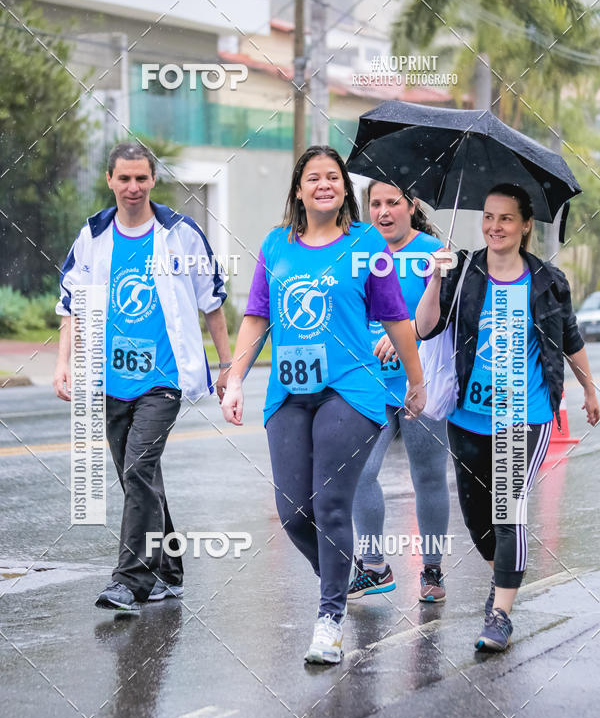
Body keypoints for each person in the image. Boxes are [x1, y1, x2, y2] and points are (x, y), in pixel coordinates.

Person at [221, 145, 426, 664]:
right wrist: (237, 378)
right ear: (298, 189)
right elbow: (257, 317)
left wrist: (416, 383)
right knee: (293, 512)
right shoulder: (275, 245)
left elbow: (397, 319)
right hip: (288, 392)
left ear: (344, 190)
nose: (324, 184)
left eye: (333, 177)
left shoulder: (366, 244)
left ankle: (330, 618)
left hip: (351, 391)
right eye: (313, 177)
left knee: (331, 504)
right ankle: (346, 573)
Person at [415, 183, 599, 651]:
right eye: (489, 217)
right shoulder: (464, 271)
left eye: (505, 219)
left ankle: (499, 612)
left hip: (526, 415)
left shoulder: (547, 281)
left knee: (506, 510)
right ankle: (506, 574)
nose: (494, 226)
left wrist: (589, 388)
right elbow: (424, 326)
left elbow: (570, 340)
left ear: (523, 226)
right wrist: (435, 278)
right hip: (467, 416)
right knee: (479, 520)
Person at [53, 141, 232, 613]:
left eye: (141, 178)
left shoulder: (180, 234)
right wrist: (63, 363)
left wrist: (227, 366)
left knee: (137, 470)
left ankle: (129, 581)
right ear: (110, 180)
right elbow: (70, 304)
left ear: (153, 180)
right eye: (124, 178)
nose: (133, 187)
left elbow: (213, 301)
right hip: (108, 381)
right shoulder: (92, 236)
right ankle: (169, 569)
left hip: (162, 380)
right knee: (140, 477)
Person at [350, 181, 450, 603]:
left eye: (393, 202)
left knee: (427, 476)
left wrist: (407, 330)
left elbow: (443, 322)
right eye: (375, 203)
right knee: (358, 472)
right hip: (367, 382)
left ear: (411, 205)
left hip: (419, 382)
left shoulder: (433, 253)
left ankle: (432, 570)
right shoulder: (356, 250)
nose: (383, 211)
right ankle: (373, 565)